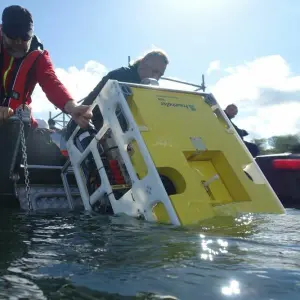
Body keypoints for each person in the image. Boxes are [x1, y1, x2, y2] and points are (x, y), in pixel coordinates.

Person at [0, 5, 92, 128]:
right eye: (12, 37)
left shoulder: (39, 56)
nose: (18, 42)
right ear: (2, 31)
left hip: (18, 123)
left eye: (24, 37)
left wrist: (72, 107)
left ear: (31, 35)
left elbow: (51, 81)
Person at [66, 48, 169, 138]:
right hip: (87, 129)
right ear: (143, 63)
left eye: (160, 75)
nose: (156, 78)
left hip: (105, 131)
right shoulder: (123, 77)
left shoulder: (142, 86)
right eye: (155, 71)